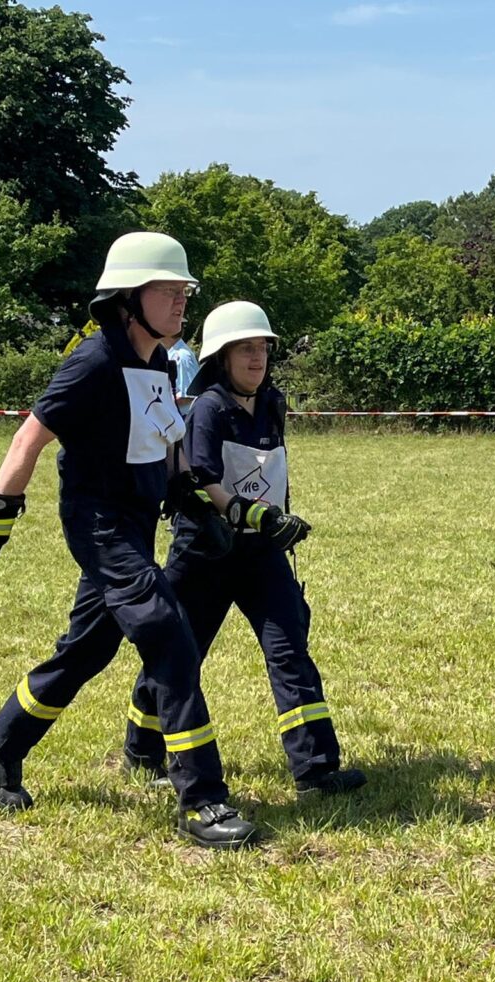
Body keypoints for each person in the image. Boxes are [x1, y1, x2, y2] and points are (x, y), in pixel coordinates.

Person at [0, 232, 257, 850]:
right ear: (128, 298)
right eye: (168, 291)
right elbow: (29, 439)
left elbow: (166, 437)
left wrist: (188, 498)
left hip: (135, 523)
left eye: (184, 293)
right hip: (98, 526)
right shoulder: (93, 363)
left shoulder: (153, 360)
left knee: (86, 651)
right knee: (168, 633)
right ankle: (202, 799)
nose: (181, 303)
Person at [123, 300, 367, 799]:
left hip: (262, 555)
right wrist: (252, 514)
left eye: (262, 348)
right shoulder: (208, 408)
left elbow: (271, 468)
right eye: (245, 349)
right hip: (206, 555)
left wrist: (276, 520)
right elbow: (203, 477)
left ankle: (316, 770)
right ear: (220, 357)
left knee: (290, 653)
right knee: (180, 656)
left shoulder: (272, 402)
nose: (257, 359)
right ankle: (142, 747)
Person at [163, 327, 200, 415]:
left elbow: (187, 396)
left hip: (184, 418)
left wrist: (161, 404)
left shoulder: (182, 356)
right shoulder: (172, 353)